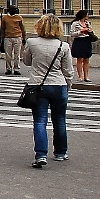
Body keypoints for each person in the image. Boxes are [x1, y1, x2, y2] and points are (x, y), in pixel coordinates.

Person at [23, 13, 74, 168]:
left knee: (40, 121)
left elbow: (26, 62)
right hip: (59, 85)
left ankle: (41, 155)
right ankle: (61, 152)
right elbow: (68, 71)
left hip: (38, 85)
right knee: (59, 120)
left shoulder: (31, 42)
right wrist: (68, 86)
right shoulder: (63, 46)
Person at [69, 9, 94, 83]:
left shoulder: (87, 23)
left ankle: (86, 76)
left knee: (87, 59)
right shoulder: (75, 23)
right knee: (79, 59)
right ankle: (80, 76)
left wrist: (90, 31)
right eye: (87, 15)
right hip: (79, 41)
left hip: (87, 41)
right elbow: (72, 34)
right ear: (84, 15)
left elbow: (91, 31)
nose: (88, 16)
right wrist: (81, 31)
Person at [0, 5, 26, 75]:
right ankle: (8, 68)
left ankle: (16, 68)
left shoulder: (19, 17)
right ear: (9, 10)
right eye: (14, 9)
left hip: (17, 37)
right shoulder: (5, 18)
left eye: (15, 9)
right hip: (8, 37)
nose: (15, 10)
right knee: (8, 55)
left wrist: (24, 37)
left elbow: (22, 28)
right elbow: (2, 28)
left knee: (17, 54)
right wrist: (2, 38)